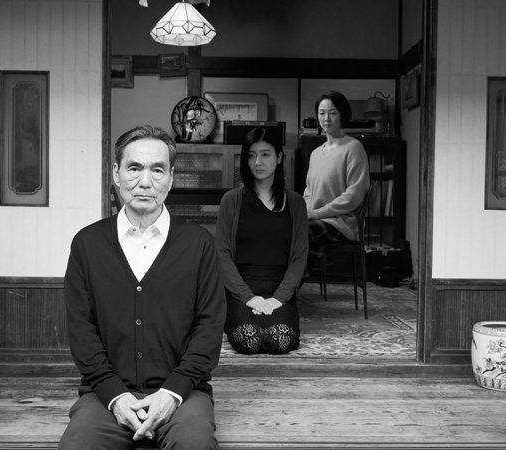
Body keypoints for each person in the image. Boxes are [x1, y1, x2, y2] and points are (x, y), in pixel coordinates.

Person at [59, 125, 226, 450]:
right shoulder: (87, 244)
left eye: (157, 170)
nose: (145, 181)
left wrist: (171, 392)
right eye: (134, 168)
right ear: (116, 173)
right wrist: (115, 396)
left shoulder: (199, 245)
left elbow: (209, 329)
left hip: (183, 394)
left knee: (194, 444)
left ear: (171, 178)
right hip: (105, 395)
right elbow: (81, 330)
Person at [216, 127, 308, 355]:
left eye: (265, 154)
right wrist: (248, 297)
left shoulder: (296, 203)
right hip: (240, 289)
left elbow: (299, 257)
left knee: (281, 339)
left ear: (279, 158)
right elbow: (221, 254)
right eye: (251, 155)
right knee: (249, 340)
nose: (258, 162)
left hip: (280, 288)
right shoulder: (231, 200)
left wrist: (278, 298)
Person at [303, 90, 370, 263]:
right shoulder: (316, 153)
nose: (326, 118)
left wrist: (317, 213)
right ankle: (290, 279)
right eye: (321, 113)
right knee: (284, 230)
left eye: (333, 113)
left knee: (300, 234)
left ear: (343, 115)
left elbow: (354, 196)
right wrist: (306, 211)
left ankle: (290, 279)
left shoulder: (353, 148)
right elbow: (308, 191)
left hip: (341, 224)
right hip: (315, 220)